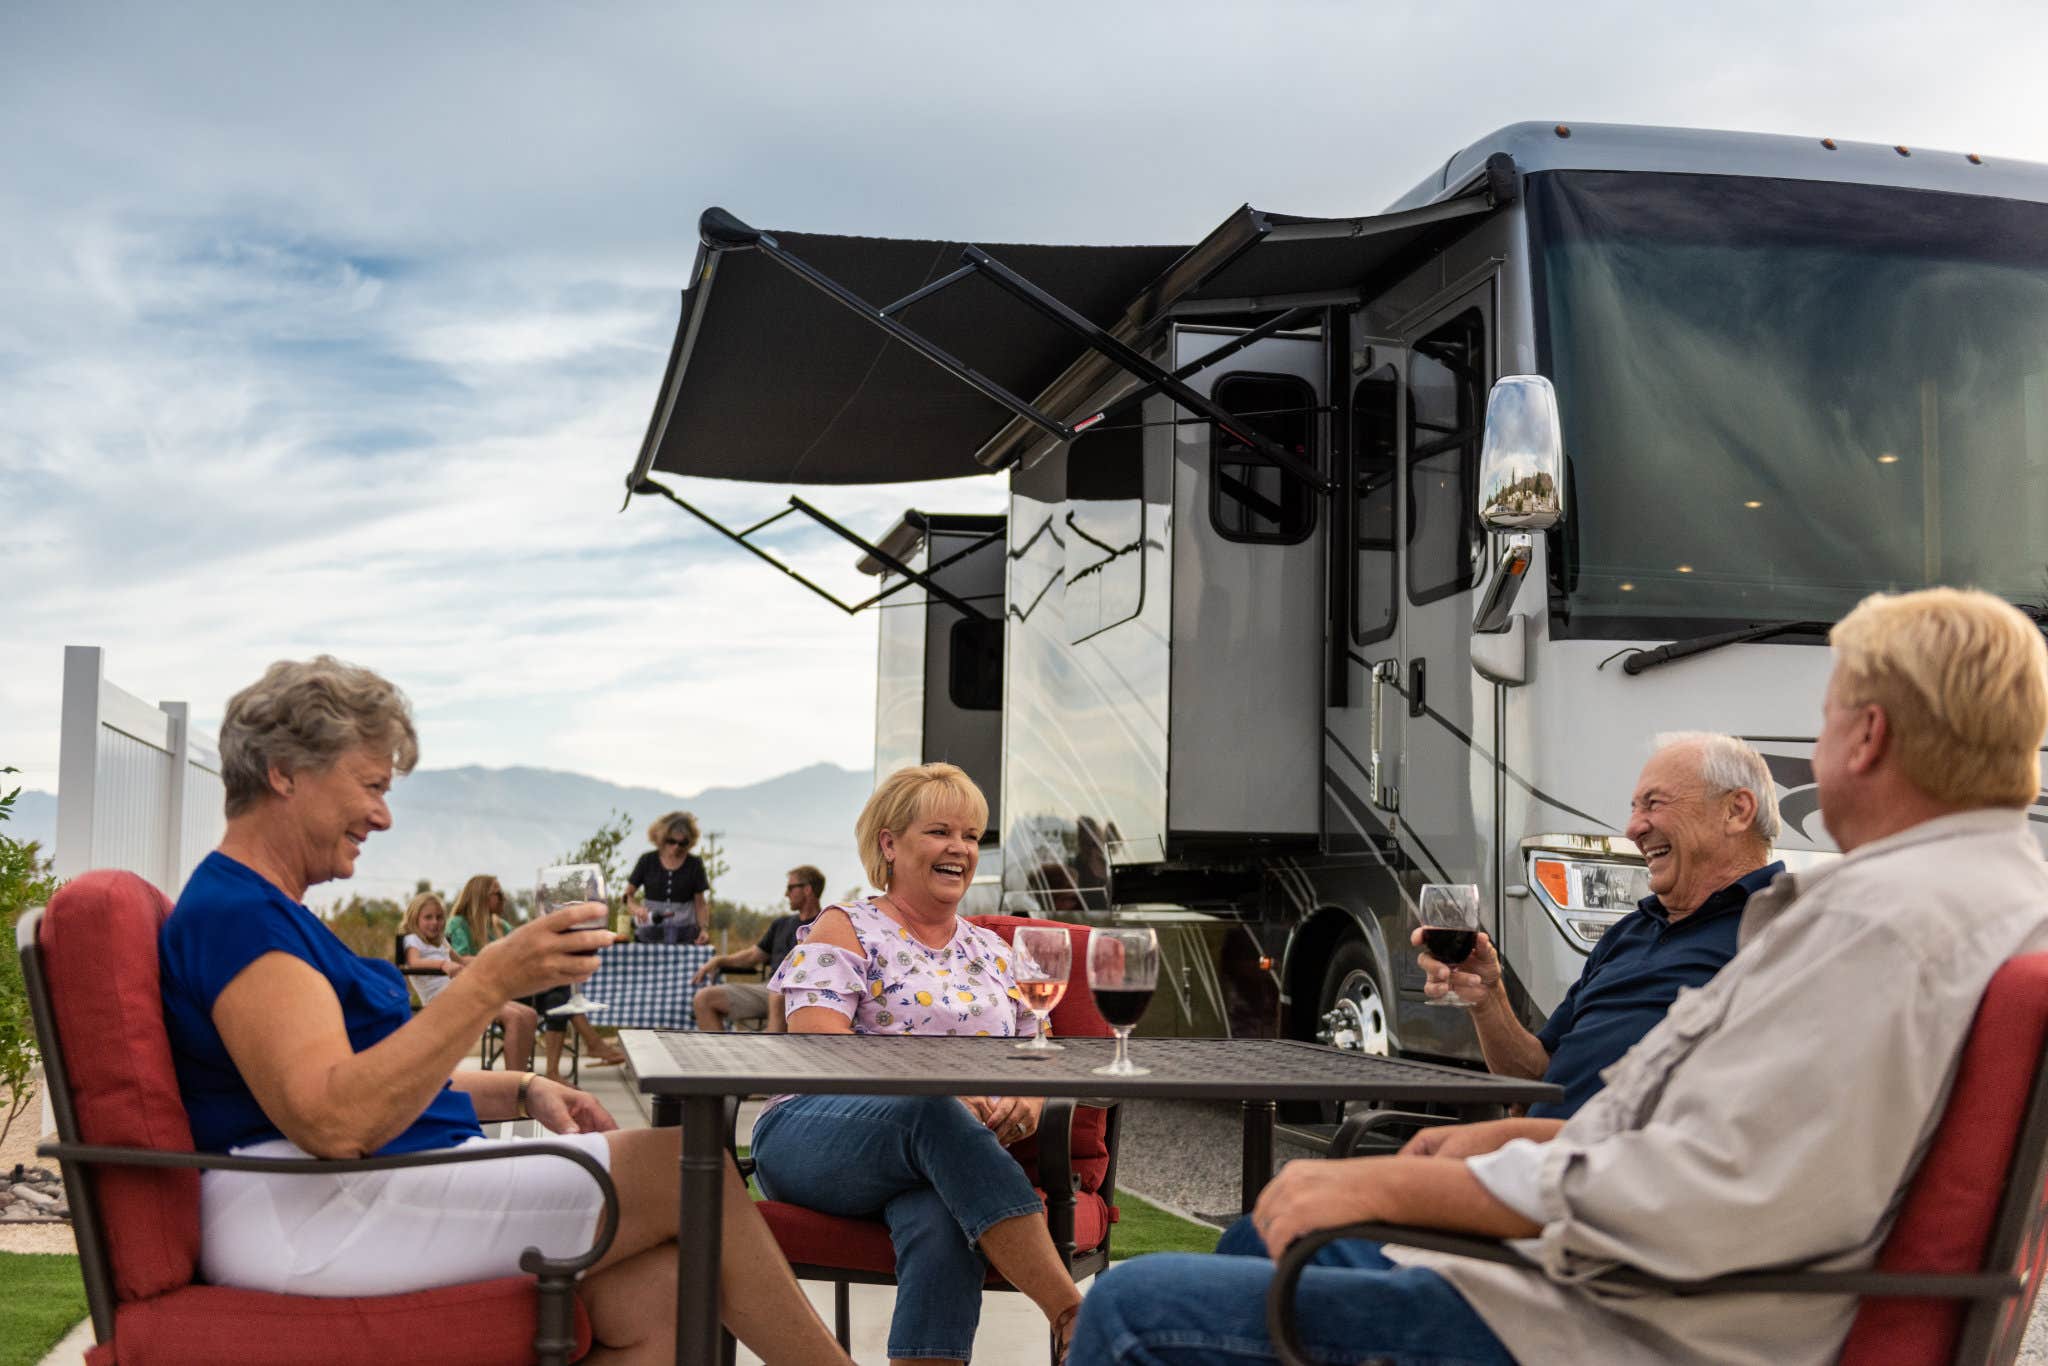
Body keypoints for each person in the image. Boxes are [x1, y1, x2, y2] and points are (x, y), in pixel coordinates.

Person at [1066, 587, 2048, 1366]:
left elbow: (1703, 1191)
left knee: (1131, 1309)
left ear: (1866, 736)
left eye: (1826, 715)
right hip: (1668, 1290)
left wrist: (1412, 1180)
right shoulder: (1979, 900)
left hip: (1622, 1324)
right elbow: (1741, 1144)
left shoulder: (1876, 924)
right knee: (1263, 1245)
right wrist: (1514, 1131)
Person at [159, 655, 852, 1366]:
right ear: (283, 771)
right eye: (370, 785)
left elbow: (370, 1079)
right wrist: (489, 981)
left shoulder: (265, 912)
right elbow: (334, 1119)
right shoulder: (241, 917)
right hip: (310, 1210)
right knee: (683, 1166)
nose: (383, 815)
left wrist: (521, 1087)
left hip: (354, 1186)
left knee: (655, 1294)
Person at [752, 763, 1085, 1365]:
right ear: (889, 844)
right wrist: (937, 1098)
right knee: (930, 1107)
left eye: (970, 835)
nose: (959, 848)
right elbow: (820, 1052)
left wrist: (1030, 1101)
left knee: (940, 1224)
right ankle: (1072, 1313)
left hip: (943, 1155)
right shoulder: (846, 926)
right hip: (814, 1135)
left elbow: (1039, 1055)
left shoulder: (994, 952)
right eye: (938, 831)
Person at [1416, 730, 1782, 1117]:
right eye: (1634, 808)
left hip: (1613, 1162)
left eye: (1653, 804)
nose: (1633, 828)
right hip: (1537, 1156)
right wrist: (1488, 998)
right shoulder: (1630, 932)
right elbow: (1531, 1081)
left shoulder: (1777, 927)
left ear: (1737, 811)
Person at [452, 874, 625, 1077]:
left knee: (558, 998)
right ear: (481, 896)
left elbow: (520, 952)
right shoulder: (459, 924)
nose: (504, 898)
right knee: (560, 990)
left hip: (511, 988)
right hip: (486, 990)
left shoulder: (499, 925)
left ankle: (555, 1072)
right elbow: (460, 960)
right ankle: (592, 1045)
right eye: (498, 893)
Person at [691, 863, 825, 1032]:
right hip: (767, 989)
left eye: (790, 888)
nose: (786, 894)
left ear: (807, 889)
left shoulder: (825, 924)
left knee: (778, 996)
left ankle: (767, 1050)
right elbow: (752, 956)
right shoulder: (781, 924)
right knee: (704, 999)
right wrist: (718, 960)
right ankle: (720, 1055)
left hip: (804, 993)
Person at [624, 812, 710, 945]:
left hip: (685, 937)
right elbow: (627, 895)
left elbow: (700, 904)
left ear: (690, 842)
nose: (677, 847)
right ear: (662, 839)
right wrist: (636, 909)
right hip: (649, 935)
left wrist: (703, 929)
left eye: (683, 843)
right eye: (672, 841)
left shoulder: (695, 864)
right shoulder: (647, 861)